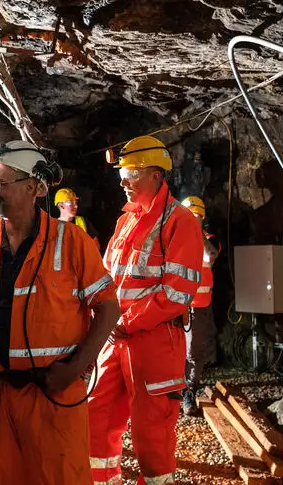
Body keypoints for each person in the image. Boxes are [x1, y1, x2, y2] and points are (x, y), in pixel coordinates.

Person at [0, 139, 121, 484]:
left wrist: (74, 368)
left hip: (52, 396)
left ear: (32, 187)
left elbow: (108, 308)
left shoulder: (72, 241)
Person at [88, 135, 204, 485]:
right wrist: (103, 317)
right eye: (121, 174)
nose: (123, 181)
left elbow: (177, 291)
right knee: (96, 416)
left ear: (155, 175)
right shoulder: (125, 223)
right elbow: (107, 277)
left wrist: (126, 321)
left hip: (154, 341)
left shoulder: (180, 222)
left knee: (150, 431)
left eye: (131, 174)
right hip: (115, 339)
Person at [180, 196, 221, 415]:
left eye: (193, 217)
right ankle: (175, 392)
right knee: (174, 351)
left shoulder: (209, 239)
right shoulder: (176, 239)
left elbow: (210, 256)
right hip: (177, 306)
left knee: (194, 353)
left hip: (198, 308)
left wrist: (196, 231)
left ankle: (189, 393)